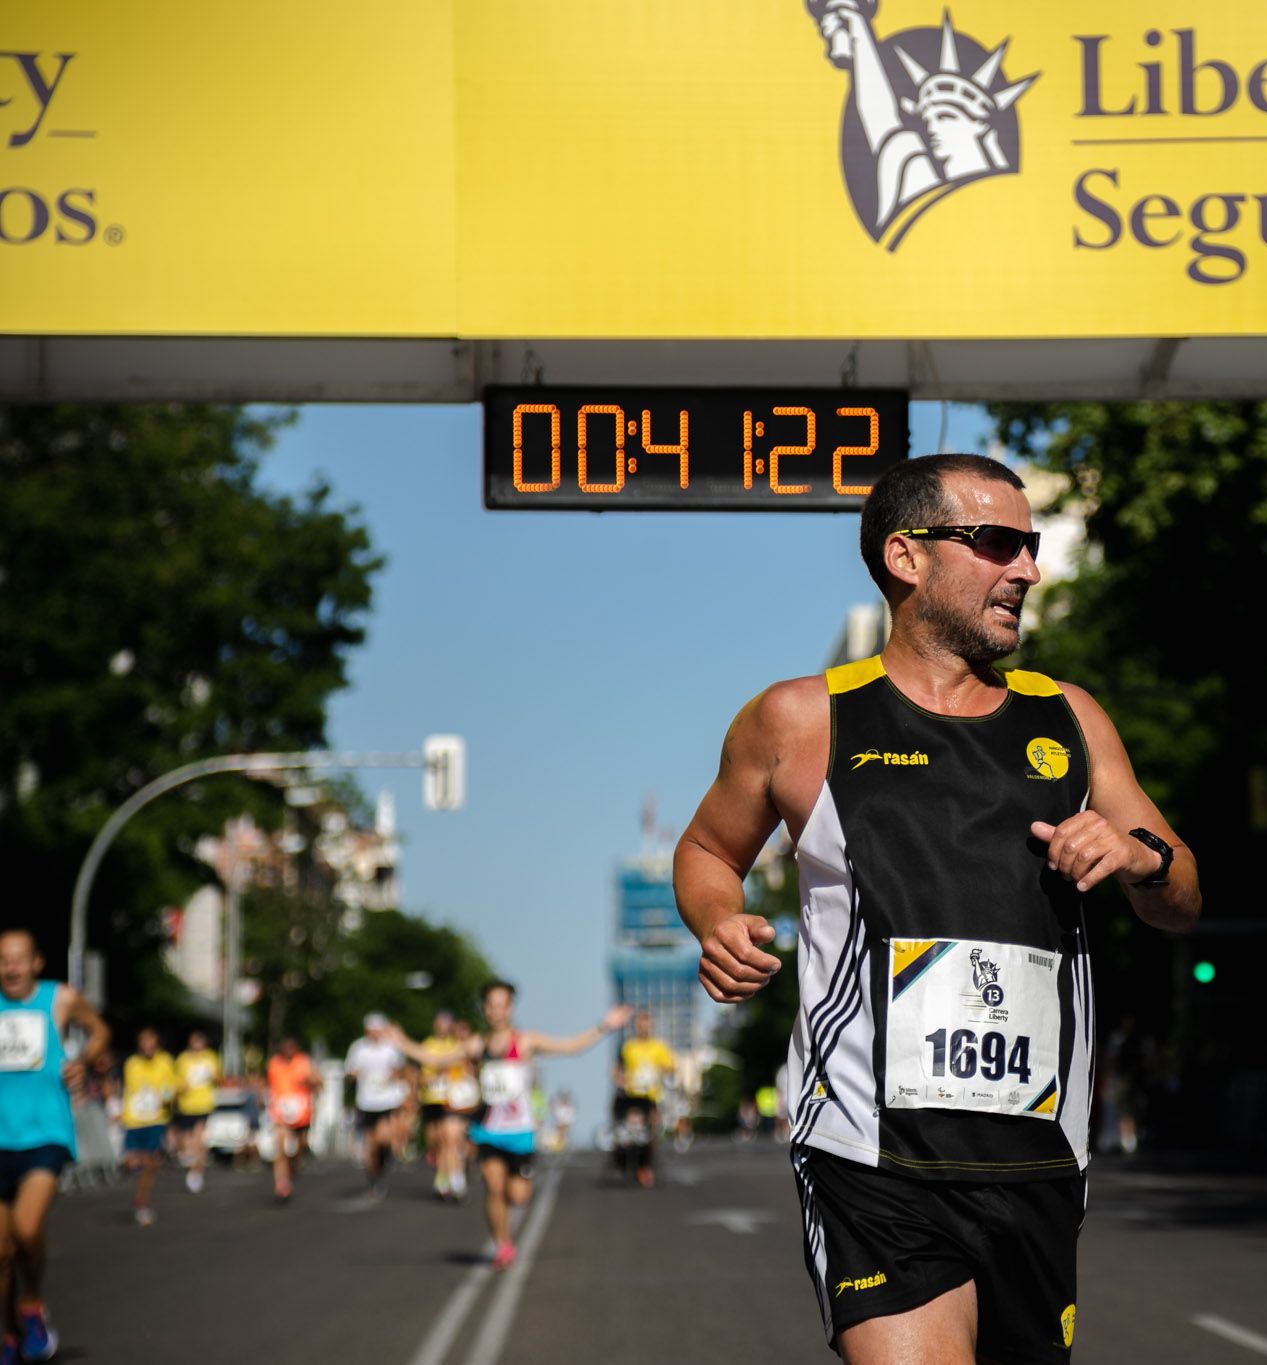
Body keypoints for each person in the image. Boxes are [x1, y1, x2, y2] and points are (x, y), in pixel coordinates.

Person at [673, 453, 1200, 1363]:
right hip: (869, 1149)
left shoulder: (1071, 718)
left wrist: (1137, 856)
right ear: (906, 558)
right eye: (998, 544)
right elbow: (709, 851)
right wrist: (717, 919)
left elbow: (1180, 893)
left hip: (1037, 1151)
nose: (1028, 569)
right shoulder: (804, 719)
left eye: (1031, 546)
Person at [381, 984, 629, 1270]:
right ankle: (503, 1244)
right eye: (491, 1005)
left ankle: (506, 1233)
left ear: (511, 1008)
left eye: (502, 1005)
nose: (497, 1011)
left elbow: (571, 1047)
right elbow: (436, 1059)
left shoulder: (525, 1042)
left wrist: (605, 1025)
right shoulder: (478, 1045)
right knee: (494, 1188)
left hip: (520, 1132)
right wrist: (402, 1042)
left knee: (518, 1195)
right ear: (484, 1009)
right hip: (487, 1130)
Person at [1, 929, 111, 1364]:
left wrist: (82, 1061)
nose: (10, 968)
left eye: (18, 959)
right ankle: (9, 1334)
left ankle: (31, 1303)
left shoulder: (59, 999)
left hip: (46, 1133)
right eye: (3, 960)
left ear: (36, 963)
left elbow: (99, 1031)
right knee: (0, 1252)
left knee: (26, 1231)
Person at [344, 1013, 408, 1199]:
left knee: (384, 1138)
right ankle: (373, 1176)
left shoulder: (391, 1048)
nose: (375, 1034)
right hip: (366, 1102)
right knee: (369, 1146)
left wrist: (391, 1077)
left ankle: (384, 1163)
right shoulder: (358, 1048)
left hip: (387, 1100)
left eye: (378, 1030)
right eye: (372, 1030)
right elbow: (350, 1072)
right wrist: (356, 1074)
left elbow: (401, 1070)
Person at [119, 1027, 177, 1227]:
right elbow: (128, 1089)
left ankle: (141, 1202)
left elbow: (172, 1087)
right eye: (144, 1041)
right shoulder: (131, 1063)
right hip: (134, 1120)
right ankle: (137, 1182)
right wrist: (122, 1113)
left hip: (156, 1119)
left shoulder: (165, 1061)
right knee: (132, 1161)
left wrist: (166, 1099)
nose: (147, 1045)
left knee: (149, 1162)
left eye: (151, 1041)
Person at [612, 1011, 675, 1187]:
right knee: (626, 1134)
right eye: (641, 1025)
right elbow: (618, 1069)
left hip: (651, 1097)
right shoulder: (629, 1047)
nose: (644, 1028)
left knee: (651, 1133)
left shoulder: (659, 1047)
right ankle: (622, 1163)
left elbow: (670, 1068)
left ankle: (645, 1166)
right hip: (631, 1097)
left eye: (647, 1025)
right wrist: (620, 1080)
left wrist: (664, 1072)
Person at [417, 1011, 473, 1202]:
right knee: (435, 1142)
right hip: (431, 1098)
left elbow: (463, 1067)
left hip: (449, 1101)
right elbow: (423, 1072)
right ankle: (444, 1177)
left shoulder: (455, 1045)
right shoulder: (427, 1045)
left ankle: (455, 1183)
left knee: (448, 1140)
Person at [264, 1036, 320, 1202]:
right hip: (281, 1113)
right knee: (280, 1149)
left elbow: (318, 1083)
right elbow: (269, 1086)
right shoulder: (274, 1064)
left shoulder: (304, 1063)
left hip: (302, 1114)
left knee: (301, 1146)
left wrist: (310, 1081)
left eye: (292, 1047)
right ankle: (281, 1183)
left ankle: (293, 1166)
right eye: (285, 1047)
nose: (288, 1050)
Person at [171, 1029, 221, 1194]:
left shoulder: (210, 1057)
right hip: (187, 1105)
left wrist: (212, 1076)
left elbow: (219, 1079)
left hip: (203, 1104)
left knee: (199, 1138)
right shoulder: (183, 1059)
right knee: (189, 1141)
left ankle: (196, 1172)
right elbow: (176, 1082)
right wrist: (180, 1089)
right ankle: (195, 1166)